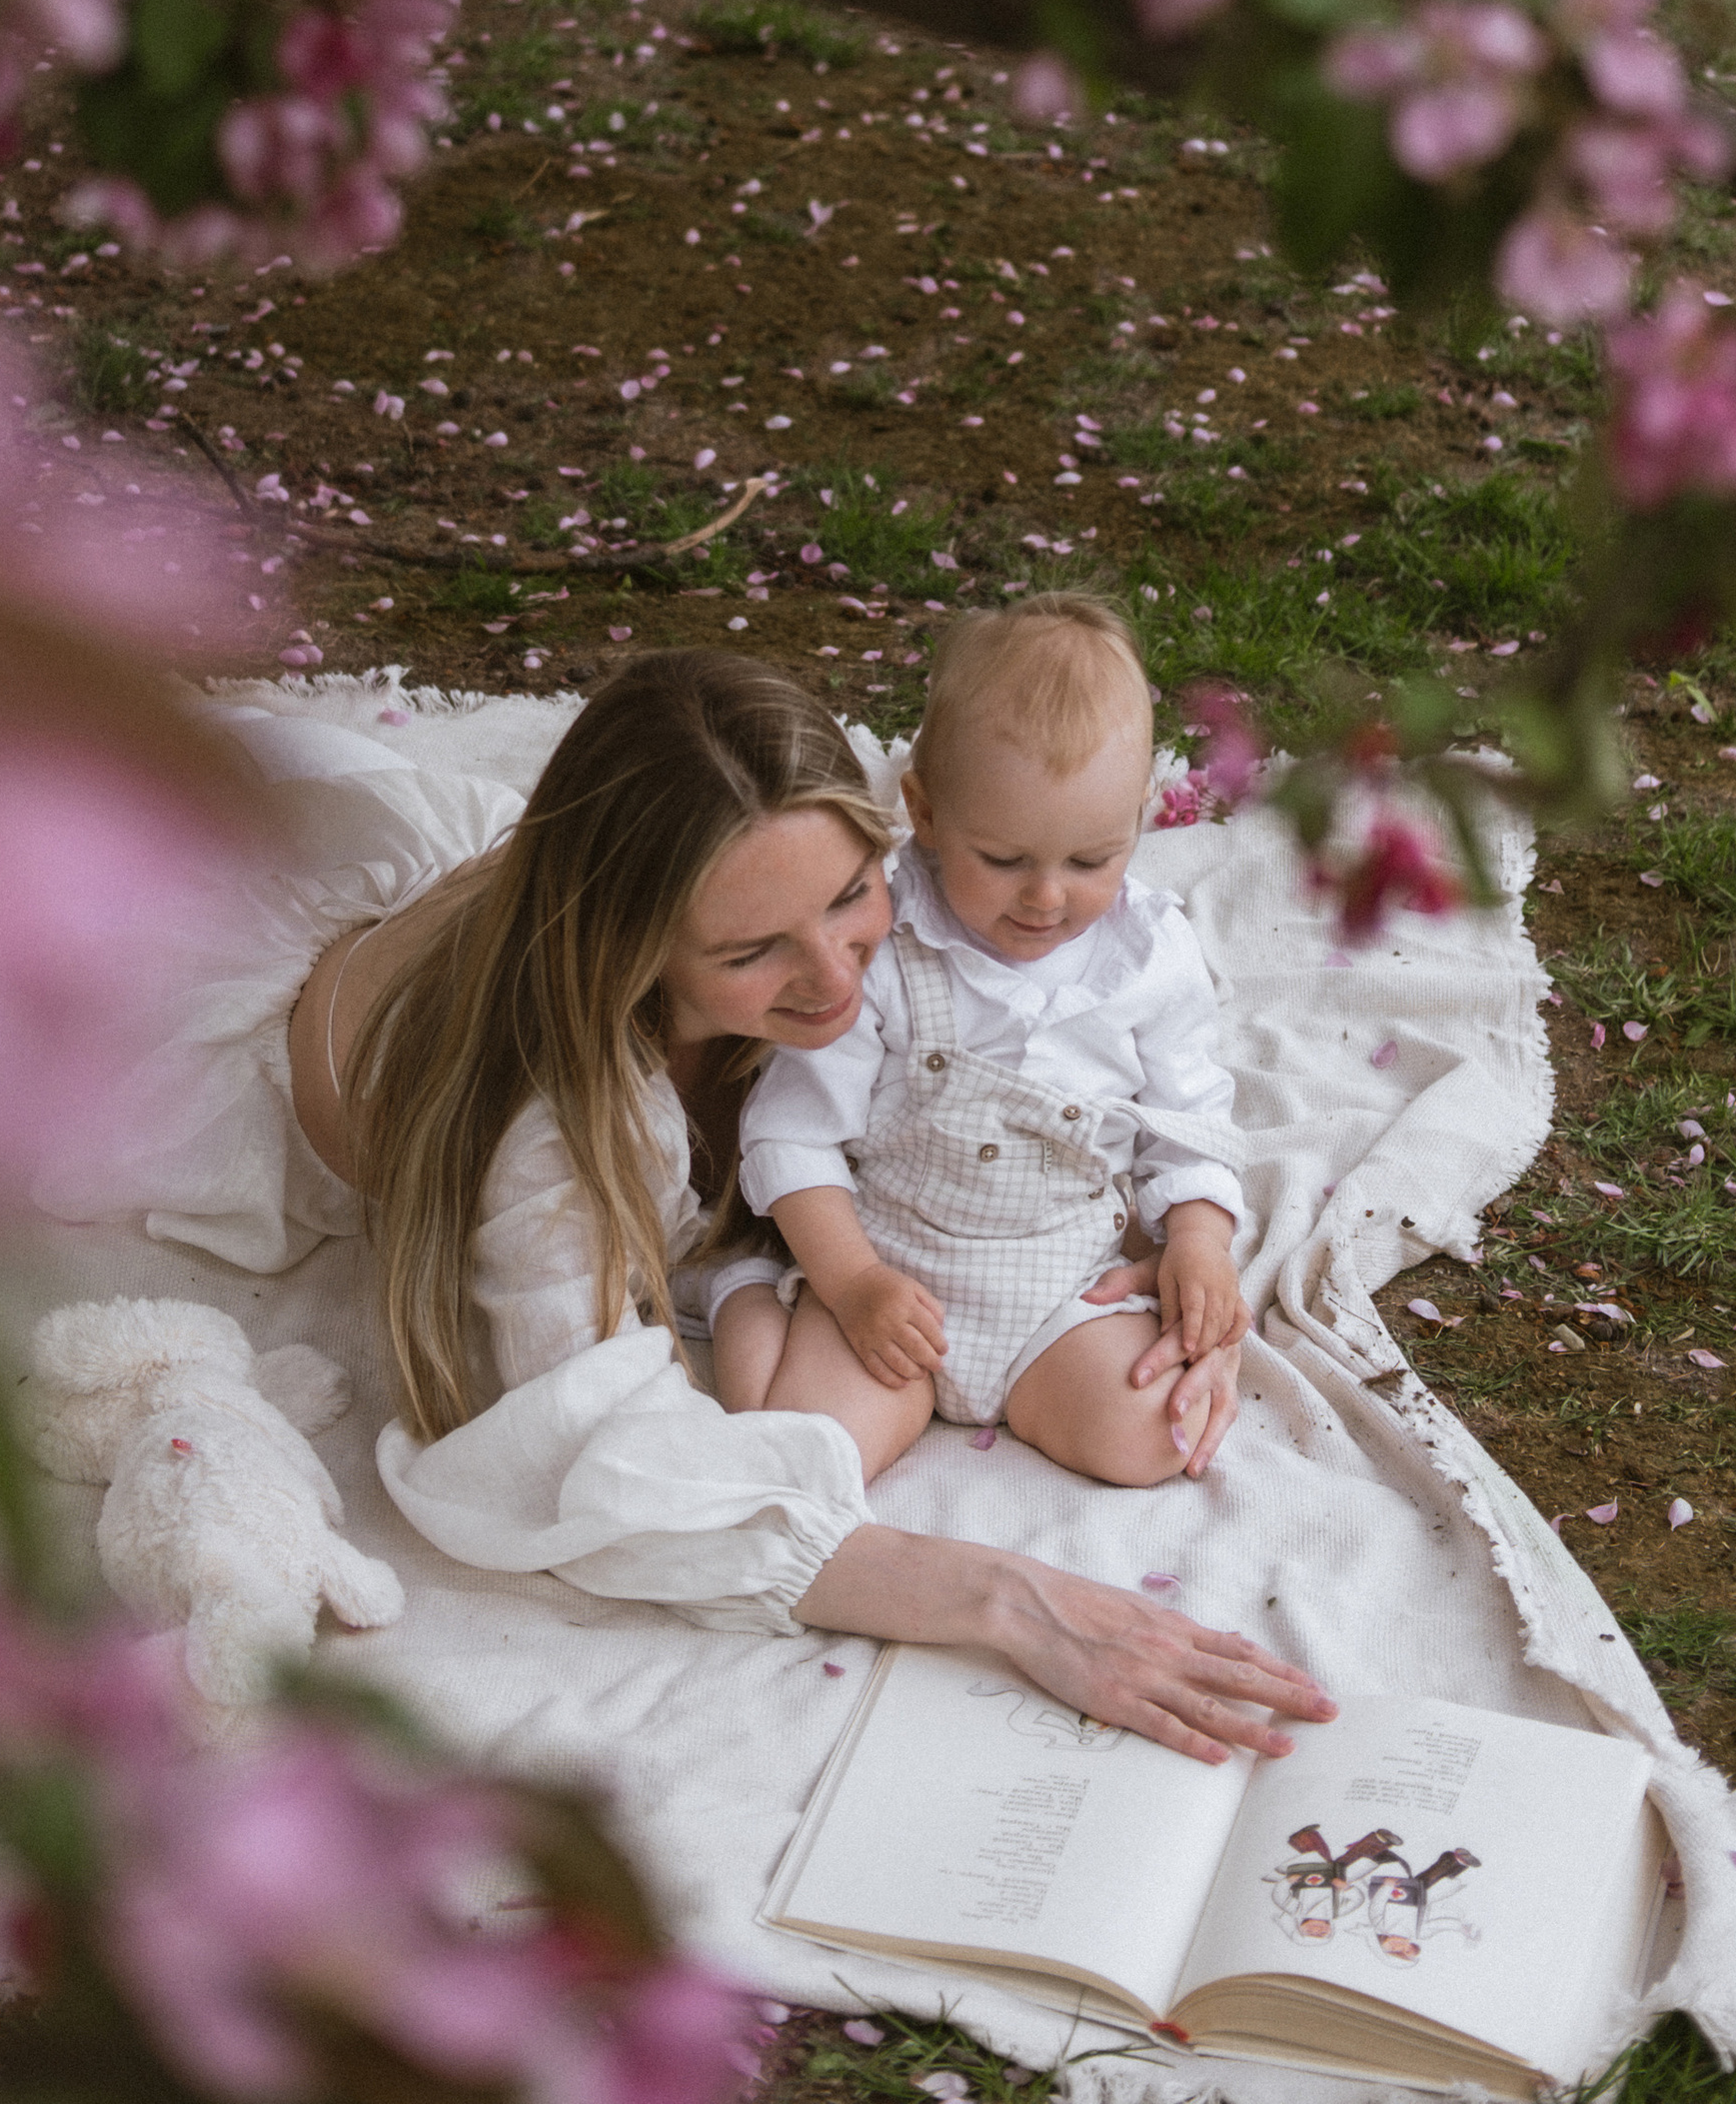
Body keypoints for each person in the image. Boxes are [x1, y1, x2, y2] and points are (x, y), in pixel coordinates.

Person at [255, 645, 1329, 1768]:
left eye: (850, 895)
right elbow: (585, 1453)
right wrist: (1004, 1599)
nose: (836, 981)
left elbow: (1108, 1080)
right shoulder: (553, 1137)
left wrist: (1181, 1243)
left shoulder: (917, 895)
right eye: (753, 950)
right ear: (637, 952)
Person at [716, 597, 1249, 1486]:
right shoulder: (884, 942)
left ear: (1144, 818)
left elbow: (1189, 1119)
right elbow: (793, 1133)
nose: (1047, 898)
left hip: (1059, 1277)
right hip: (890, 1267)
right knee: (804, 1457)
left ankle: (1039, 1386)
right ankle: (746, 1299)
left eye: (1091, 861)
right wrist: (851, 1286)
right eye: (1002, 859)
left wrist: (1198, 1239)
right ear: (922, 811)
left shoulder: (1150, 957)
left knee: (1158, 1435)